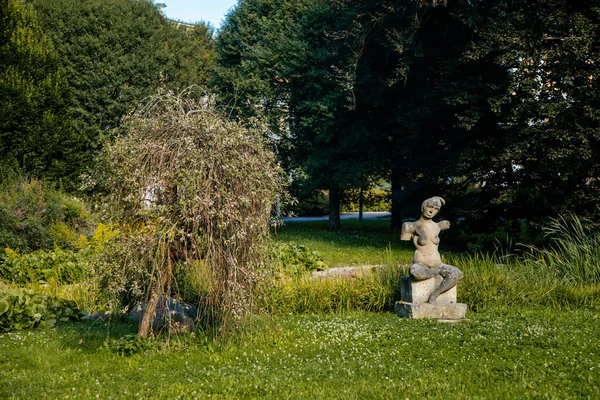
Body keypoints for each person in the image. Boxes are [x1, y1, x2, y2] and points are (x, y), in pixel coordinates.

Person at [401, 196, 463, 303]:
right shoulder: (411, 226)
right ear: (423, 207)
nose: (431, 210)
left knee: (456, 273)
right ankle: (435, 272)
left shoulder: (438, 226)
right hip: (421, 265)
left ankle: (435, 294)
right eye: (430, 207)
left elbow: (445, 224)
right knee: (414, 271)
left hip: (438, 264)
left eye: (436, 209)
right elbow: (404, 239)